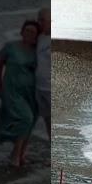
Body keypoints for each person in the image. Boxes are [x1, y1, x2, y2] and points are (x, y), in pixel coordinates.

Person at [0, 20, 40, 167]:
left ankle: (21, 154)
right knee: (26, 118)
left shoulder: (38, 50)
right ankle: (15, 155)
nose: (29, 34)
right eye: (27, 31)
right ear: (21, 32)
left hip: (32, 91)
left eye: (33, 33)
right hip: (12, 90)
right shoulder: (11, 47)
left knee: (30, 122)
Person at [36, 7, 51, 140]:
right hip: (39, 87)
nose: (40, 23)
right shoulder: (40, 37)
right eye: (39, 20)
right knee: (47, 120)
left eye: (42, 20)